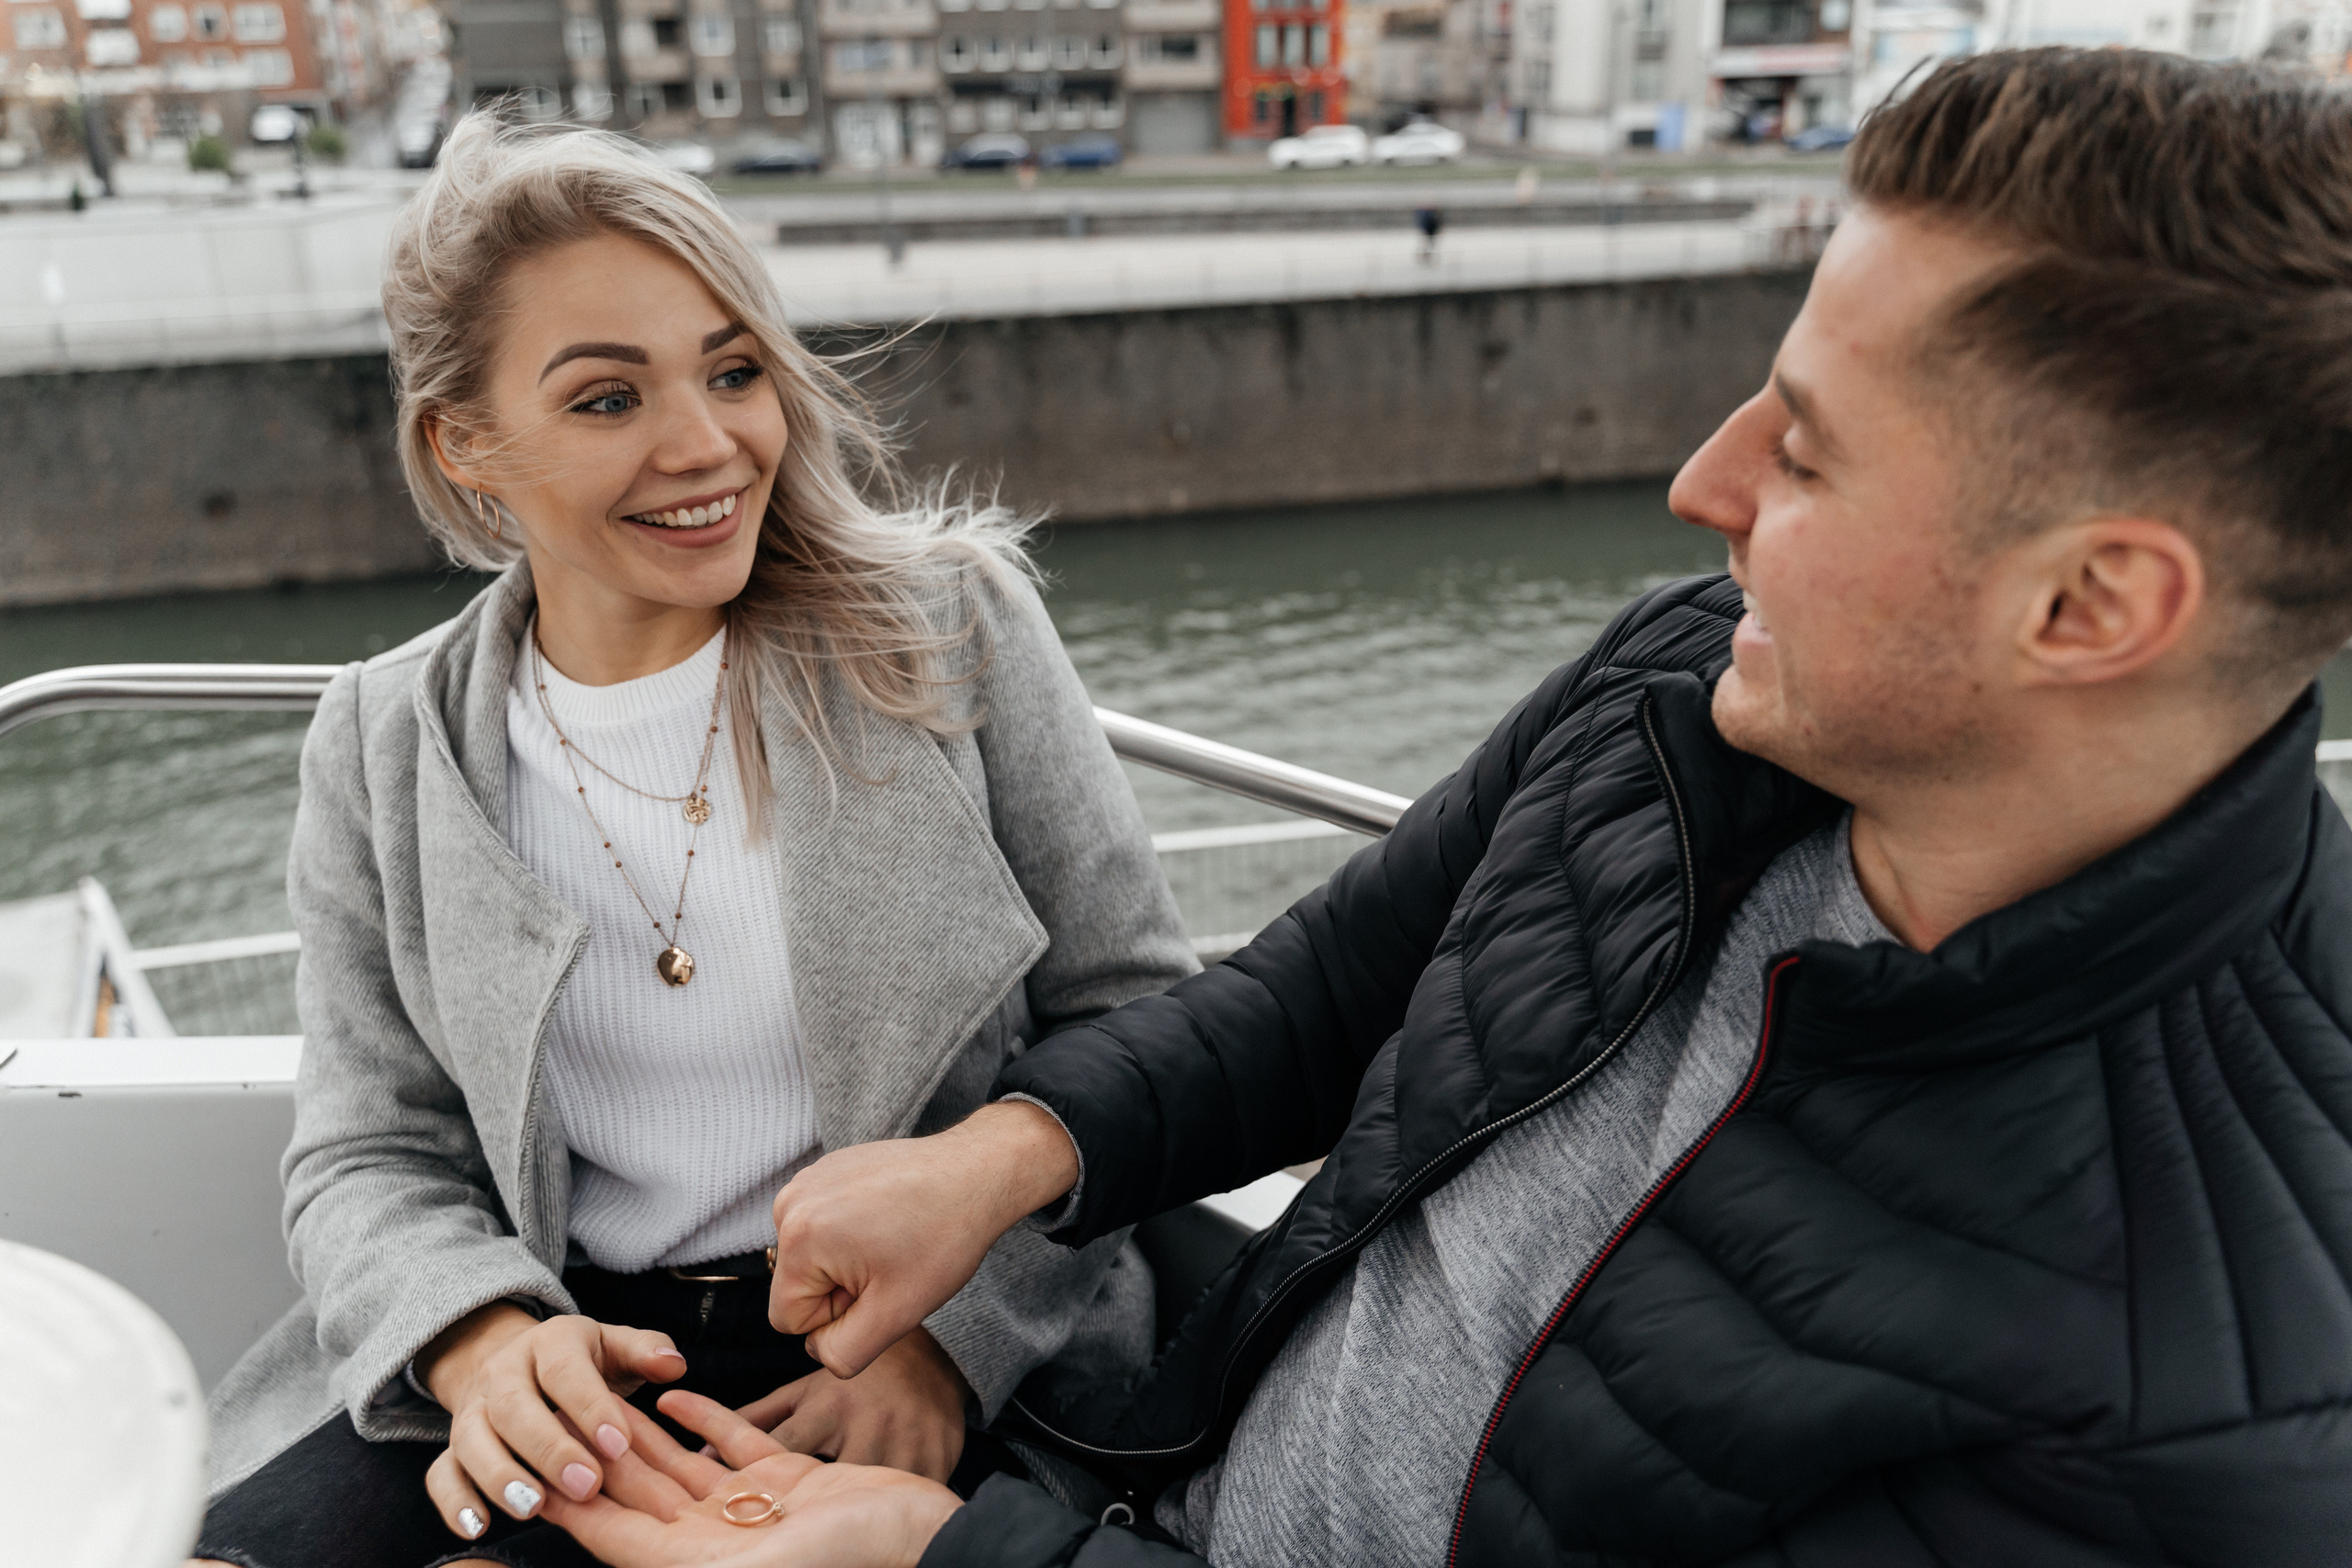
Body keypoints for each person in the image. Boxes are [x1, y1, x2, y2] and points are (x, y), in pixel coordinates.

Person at [528, 47, 2352, 1567]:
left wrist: (930, 1558)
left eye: (1801, 451)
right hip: (1155, 1464)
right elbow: (1349, 979)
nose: (1697, 482)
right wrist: (1006, 1158)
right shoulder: (1692, 682)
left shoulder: (2215, 1389)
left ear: (2087, 607)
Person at [190, 108, 1195, 1568]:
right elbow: (370, 1151)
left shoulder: (952, 630)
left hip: (919, 1336)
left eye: (733, 370)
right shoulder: (384, 737)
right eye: (609, 399)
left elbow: (1139, 1030)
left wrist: (948, 1347)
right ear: (463, 444)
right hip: (567, 1345)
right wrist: (476, 1342)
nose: (708, 442)